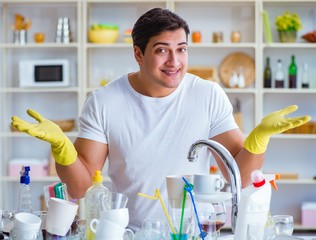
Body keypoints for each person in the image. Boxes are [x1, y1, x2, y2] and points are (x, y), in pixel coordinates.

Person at [11, 8, 310, 230]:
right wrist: (62, 148)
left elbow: (240, 179)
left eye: (181, 50)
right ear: (138, 54)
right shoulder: (104, 101)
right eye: (162, 51)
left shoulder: (208, 94)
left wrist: (258, 140)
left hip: (194, 233)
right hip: (128, 232)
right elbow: (83, 188)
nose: (174, 62)